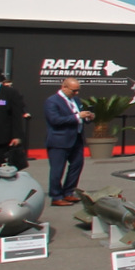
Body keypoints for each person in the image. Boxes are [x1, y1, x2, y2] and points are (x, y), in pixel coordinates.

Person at [44, 76, 94, 205]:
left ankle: (68, 192)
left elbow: (79, 117)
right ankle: (56, 197)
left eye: (78, 90)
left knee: (77, 165)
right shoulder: (52, 101)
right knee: (57, 170)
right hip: (59, 140)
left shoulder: (75, 100)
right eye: (73, 90)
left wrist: (87, 117)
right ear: (64, 87)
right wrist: (78, 116)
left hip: (76, 138)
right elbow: (55, 120)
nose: (76, 93)